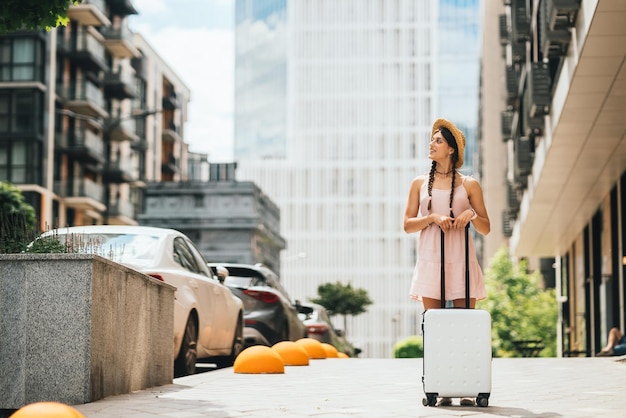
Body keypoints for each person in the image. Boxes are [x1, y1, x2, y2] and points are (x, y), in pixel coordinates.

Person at [403, 118, 491, 407]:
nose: (432, 144)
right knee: (435, 328)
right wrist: (431, 218)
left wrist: (471, 216)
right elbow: (407, 225)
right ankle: (438, 385)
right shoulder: (419, 183)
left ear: (451, 149)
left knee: (465, 328)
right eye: (432, 140)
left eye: (438, 141)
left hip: (462, 263)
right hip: (431, 262)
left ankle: (467, 384)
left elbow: (486, 227)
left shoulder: (470, 184)